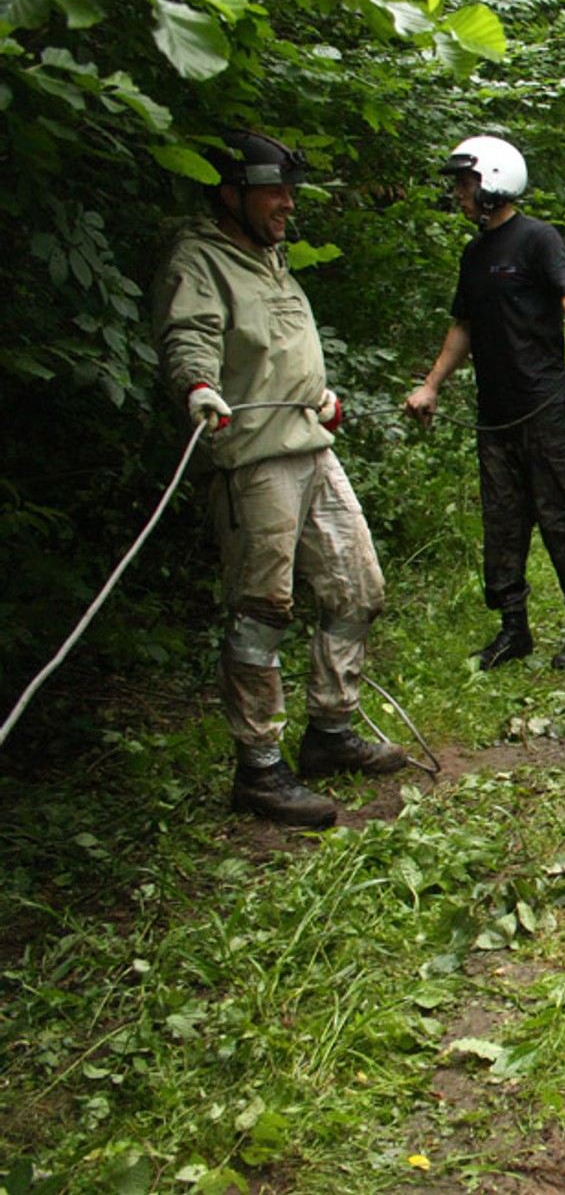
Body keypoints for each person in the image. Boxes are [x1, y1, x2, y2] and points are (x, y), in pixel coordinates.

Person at [151, 129, 406, 830]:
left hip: (311, 447)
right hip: (253, 460)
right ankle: (259, 770)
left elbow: (283, 349)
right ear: (230, 192)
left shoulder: (271, 258)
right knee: (262, 612)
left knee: (358, 589)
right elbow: (189, 336)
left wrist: (320, 396)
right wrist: (198, 386)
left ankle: (329, 732)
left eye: (290, 190)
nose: (288, 203)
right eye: (275, 190)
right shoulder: (200, 259)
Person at [403, 136, 565, 670]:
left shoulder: (538, 240)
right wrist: (430, 386)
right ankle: (513, 629)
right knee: (502, 523)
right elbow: (464, 327)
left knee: (564, 514)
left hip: (544, 410)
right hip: (494, 418)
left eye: (465, 183)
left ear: (495, 181)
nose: (458, 193)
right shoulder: (474, 255)